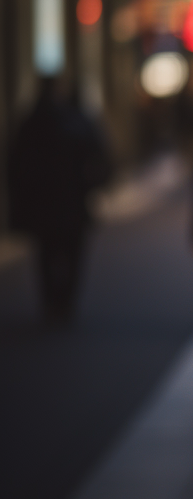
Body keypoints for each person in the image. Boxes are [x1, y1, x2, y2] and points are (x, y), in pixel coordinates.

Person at [6, 77, 110, 326]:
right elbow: (101, 157)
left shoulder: (30, 123)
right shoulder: (77, 120)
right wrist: (91, 185)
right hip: (71, 201)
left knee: (46, 254)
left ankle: (51, 301)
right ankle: (65, 302)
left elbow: (15, 166)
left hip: (42, 204)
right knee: (72, 253)